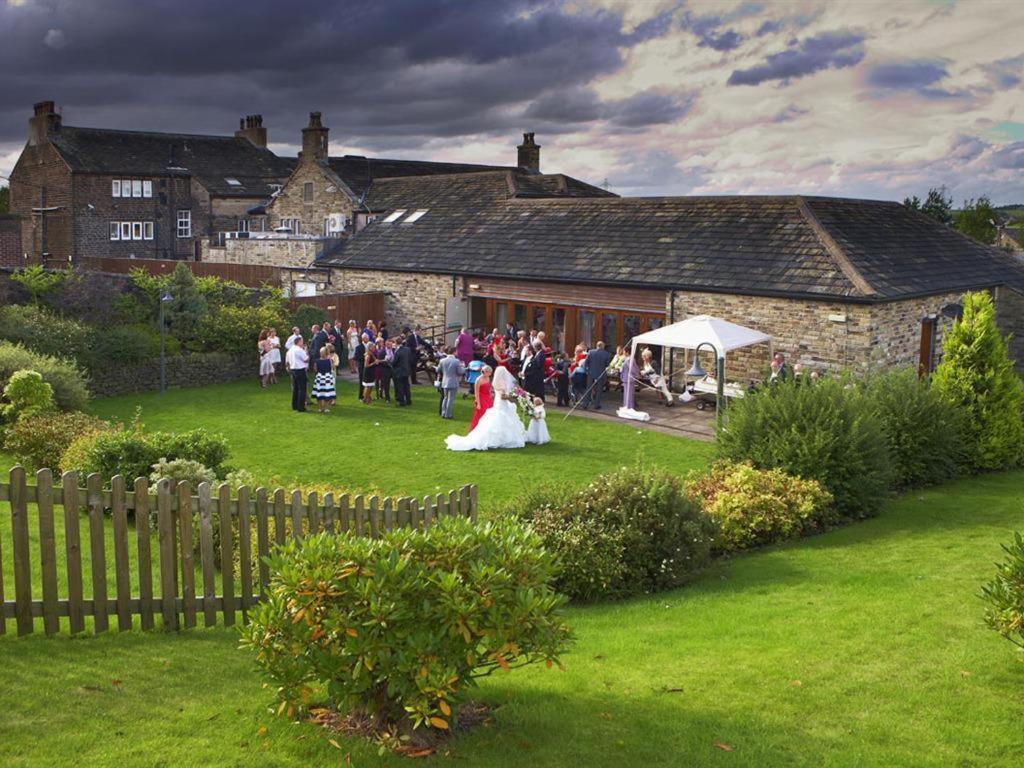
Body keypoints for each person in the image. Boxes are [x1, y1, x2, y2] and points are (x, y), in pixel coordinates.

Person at [445, 366, 528, 451]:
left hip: (493, 399)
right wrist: (478, 402)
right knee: (496, 417)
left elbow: (493, 390)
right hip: (494, 399)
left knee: (498, 417)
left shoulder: (491, 380)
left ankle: (503, 437)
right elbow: (479, 392)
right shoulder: (481, 380)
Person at [437, 346, 466, 420]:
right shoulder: (456, 361)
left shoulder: (442, 360)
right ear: (454, 352)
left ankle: (443, 413)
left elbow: (438, 370)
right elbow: (460, 372)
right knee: (450, 399)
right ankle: (448, 414)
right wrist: (464, 367)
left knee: (445, 398)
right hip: (453, 382)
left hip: (445, 381)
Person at [584, 341, 612, 410]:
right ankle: (596, 405)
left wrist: (586, 371)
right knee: (599, 390)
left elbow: (586, 363)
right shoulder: (606, 354)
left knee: (588, 389)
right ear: (603, 346)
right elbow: (607, 365)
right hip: (601, 374)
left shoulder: (590, 352)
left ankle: (585, 404)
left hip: (591, 373)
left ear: (597, 346)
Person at [285, 336, 309, 412]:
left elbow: (287, 362)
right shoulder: (299, 350)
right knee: (302, 389)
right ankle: (301, 407)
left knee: (295, 388)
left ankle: (294, 405)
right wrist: (307, 352)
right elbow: (306, 360)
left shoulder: (290, 350)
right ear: (298, 342)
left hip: (293, 370)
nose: (302, 343)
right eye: (302, 341)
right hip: (300, 370)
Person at [311, 348, 336, 414]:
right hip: (328, 377)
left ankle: (320, 408)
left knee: (319, 392)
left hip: (320, 377)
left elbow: (315, 370)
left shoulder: (317, 361)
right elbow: (333, 368)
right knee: (328, 392)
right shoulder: (330, 360)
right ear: (327, 353)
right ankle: (326, 408)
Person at [392, 339, 413, 406]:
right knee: (406, 386)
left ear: (396, 343)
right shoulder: (407, 350)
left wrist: (389, 362)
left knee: (400, 387)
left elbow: (394, 362)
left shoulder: (397, 352)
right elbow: (410, 360)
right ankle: (408, 400)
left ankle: (401, 402)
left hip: (399, 372)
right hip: (406, 371)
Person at [354, 333, 368, 401]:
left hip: (368, 366)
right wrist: (364, 356)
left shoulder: (369, 346)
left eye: (367, 338)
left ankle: (367, 395)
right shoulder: (358, 347)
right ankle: (361, 396)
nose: (367, 339)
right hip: (362, 366)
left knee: (367, 381)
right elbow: (356, 357)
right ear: (363, 339)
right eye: (366, 338)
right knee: (362, 381)